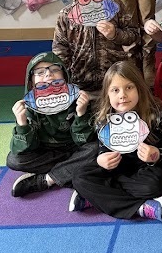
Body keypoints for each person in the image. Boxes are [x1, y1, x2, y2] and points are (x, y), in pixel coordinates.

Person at [69, 61, 162, 221]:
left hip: (145, 169)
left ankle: (99, 198)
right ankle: (141, 208)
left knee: (155, 185)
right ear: (108, 95)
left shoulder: (153, 114)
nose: (122, 95)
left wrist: (156, 155)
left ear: (139, 89)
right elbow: (102, 148)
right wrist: (101, 158)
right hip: (117, 167)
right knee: (79, 178)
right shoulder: (103, 120)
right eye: (115, 90)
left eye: (129, 88)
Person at [7, 52, 98, 198]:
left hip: (76, 148)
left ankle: (46, 180)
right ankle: (72, 170)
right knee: (14, 160)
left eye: (55, 70)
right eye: (40, 72)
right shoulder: (29, 106)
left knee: (96, 149)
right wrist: (22, 123)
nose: (49, 75)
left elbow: (83, 141)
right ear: (31, 82)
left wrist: (81, 113)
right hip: (47, 152)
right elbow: (23, 149)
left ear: (65, 77)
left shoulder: (78, 99)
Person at [52, 0, 140, 98]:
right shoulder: (67, 14)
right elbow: (59, 49)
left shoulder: (115, 6)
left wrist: (114, 34)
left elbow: (134, 35)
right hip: (80, 82)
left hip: (115, 80)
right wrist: (68, 74)